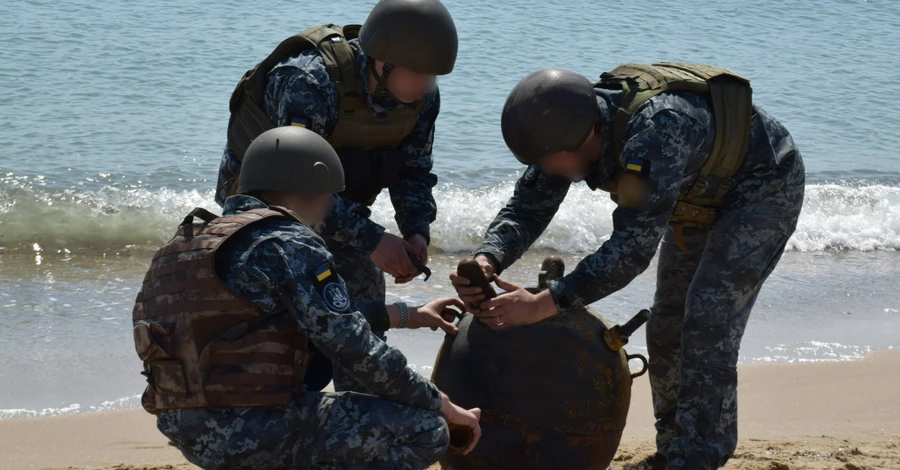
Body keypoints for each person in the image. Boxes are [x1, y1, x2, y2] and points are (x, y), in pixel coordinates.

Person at [450, 64, 804, 470]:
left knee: (708, 318)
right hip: (695, 194)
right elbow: (528, 207)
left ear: (586, 137)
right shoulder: (560, 134)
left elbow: (631, 251)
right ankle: (673, 448)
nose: (548, 171)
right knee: (669, 321)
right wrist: (488, 257)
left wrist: (546, 302)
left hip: (762, 187)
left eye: (552, 162)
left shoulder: (658, 131)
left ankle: (697, 456)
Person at [135, 126, 480, 470]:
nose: (330, 207)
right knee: (424, 430)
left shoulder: (181, 246)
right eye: (330, 195)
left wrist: (408, 314)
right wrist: (440, 403)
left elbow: (301, 319)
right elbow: (352, 345)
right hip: (247, 432)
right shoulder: (289, 241)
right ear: (310, 186)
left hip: (185, 429)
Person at [216, 0, 457, 395]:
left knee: (360, 310)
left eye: (432, 75)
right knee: (285, 317)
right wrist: (373, 240)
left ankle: (362, 412)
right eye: (418, 74)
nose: (427, 86)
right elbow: (290, 188)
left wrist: (415, 233)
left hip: (336, 204)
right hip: (262, 214)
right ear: (383, 61)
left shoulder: (423, 98)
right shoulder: (308, 82)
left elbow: (413, 170)